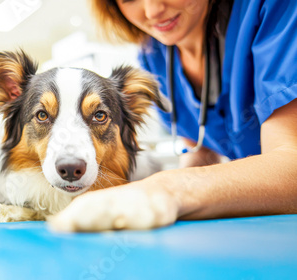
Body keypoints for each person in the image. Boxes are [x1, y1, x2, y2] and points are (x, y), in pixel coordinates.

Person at [49, 0, 297, 231]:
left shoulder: (275, 9)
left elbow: (291, 169)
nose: (153, 10)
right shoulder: (156, 55)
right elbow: (200, 151)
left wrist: (165, 189)